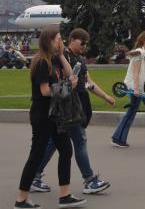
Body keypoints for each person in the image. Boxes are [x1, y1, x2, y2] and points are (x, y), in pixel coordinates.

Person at [31, 28, 114, 195]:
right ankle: (89, 180)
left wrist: (105, 96)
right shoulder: (53, 58)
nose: (84, 46)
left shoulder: (77, 59)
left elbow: (88, 83)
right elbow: (50, 88)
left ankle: (34, 176)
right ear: (73, 39)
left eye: (86, 43)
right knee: (79, 141)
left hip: (74, 107)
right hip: (67, 108)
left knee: (53, 144)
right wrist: (63, 61)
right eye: (82, 42)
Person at [14, 25, 86, 209]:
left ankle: (65, 196)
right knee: (36, 155)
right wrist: (68, 87)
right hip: (42, 115)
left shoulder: (54, 59)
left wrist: (62, 56)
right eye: (58, 39)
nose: (61, 42)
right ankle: (21, 199)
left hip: (55, 114)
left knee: (66, 150)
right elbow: (45, 91)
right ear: (49, 41)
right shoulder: (42, 62)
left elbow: (70, 74)